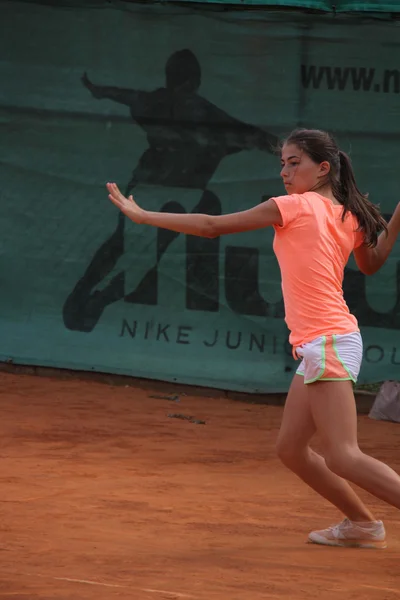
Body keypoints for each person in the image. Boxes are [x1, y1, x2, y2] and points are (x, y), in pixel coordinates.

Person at [106, 128, 400, 549]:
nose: (284, 171)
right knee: (292, 450)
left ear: (322, 168)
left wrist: (144, 216)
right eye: (281, 162)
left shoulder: (294, 206)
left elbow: (211, 226)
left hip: (329, 340)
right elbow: (374, 263)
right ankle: (362, 524)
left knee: (342, 455)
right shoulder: (346, 215)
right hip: (323, 342)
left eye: (293, 162)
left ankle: (364, 524)